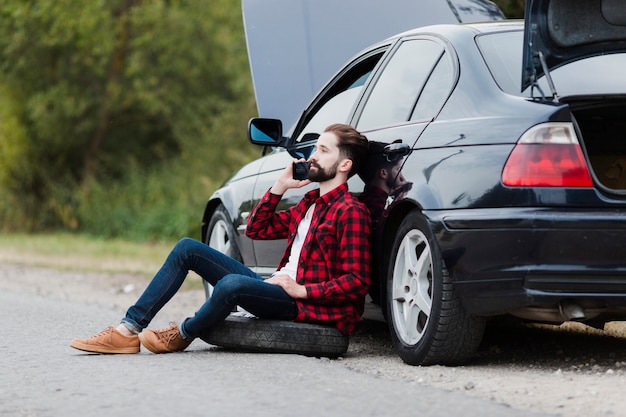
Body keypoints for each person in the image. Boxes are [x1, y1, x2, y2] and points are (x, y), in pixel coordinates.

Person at [70, 123, 371, 354]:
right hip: (277, 288)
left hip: (301, 304)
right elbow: (256, 229)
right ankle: (127, 330)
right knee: (187, 248)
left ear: (344, 165)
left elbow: (357, 281)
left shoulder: (350, 212)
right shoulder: (308, 204)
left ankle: (183, 333)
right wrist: (280, 186)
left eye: (323, 151)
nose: (313, 156)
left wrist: (302, 290)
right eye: (316, 148)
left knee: (231, 285)